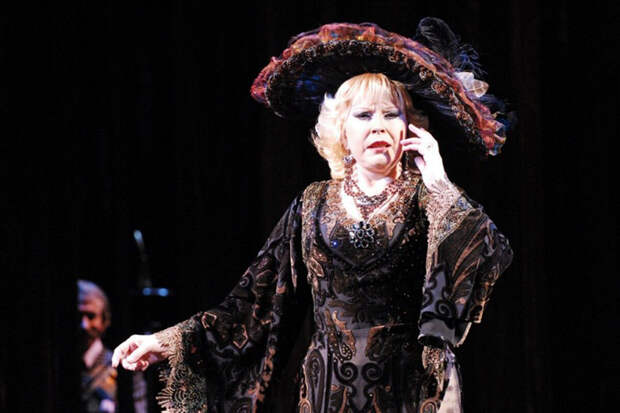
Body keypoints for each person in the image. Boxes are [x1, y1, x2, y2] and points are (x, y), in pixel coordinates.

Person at [112, 19, 515, 413]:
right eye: (364, 115)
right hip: (328, 394)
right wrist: (164, 342)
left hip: (413, 390)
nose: (379, 126)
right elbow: (256, 304)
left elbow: (484, 253)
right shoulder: (312, 204)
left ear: (410, 127)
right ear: (342, 132)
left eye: (392, 114)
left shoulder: (429, 198)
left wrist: (439, 181)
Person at [78, 279, 117, 413]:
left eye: (91, 316)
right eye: (78, 316)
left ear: (104, 320)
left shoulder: (119, 365)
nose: (84, 325)